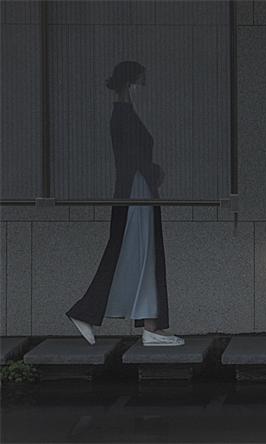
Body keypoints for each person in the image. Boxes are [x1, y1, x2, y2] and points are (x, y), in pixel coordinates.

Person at [65, 61, 183, 346]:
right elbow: (132, 156)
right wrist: (153, 172)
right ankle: (88, 312)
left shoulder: (124, 114)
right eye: (142, 80)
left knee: (140, 253)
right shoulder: (123, 115)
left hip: (137, 190)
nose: (146, 86)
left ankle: (149, 325)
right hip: (136, 191)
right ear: (131, 83)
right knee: (137, 251)